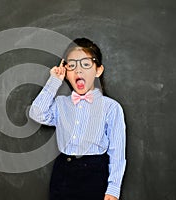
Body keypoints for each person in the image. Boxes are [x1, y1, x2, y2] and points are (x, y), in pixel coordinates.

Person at [29, 38, 126, 200]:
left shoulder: (111, 107)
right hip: (63, 173)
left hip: (95, 175)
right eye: (72, 65)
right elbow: (36, 113)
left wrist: (113, 188)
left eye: (86, 65)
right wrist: (54, 81)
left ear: (98, 70)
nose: (78, 71)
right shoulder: (60, 104)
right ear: (66, 71)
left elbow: (117, 152)